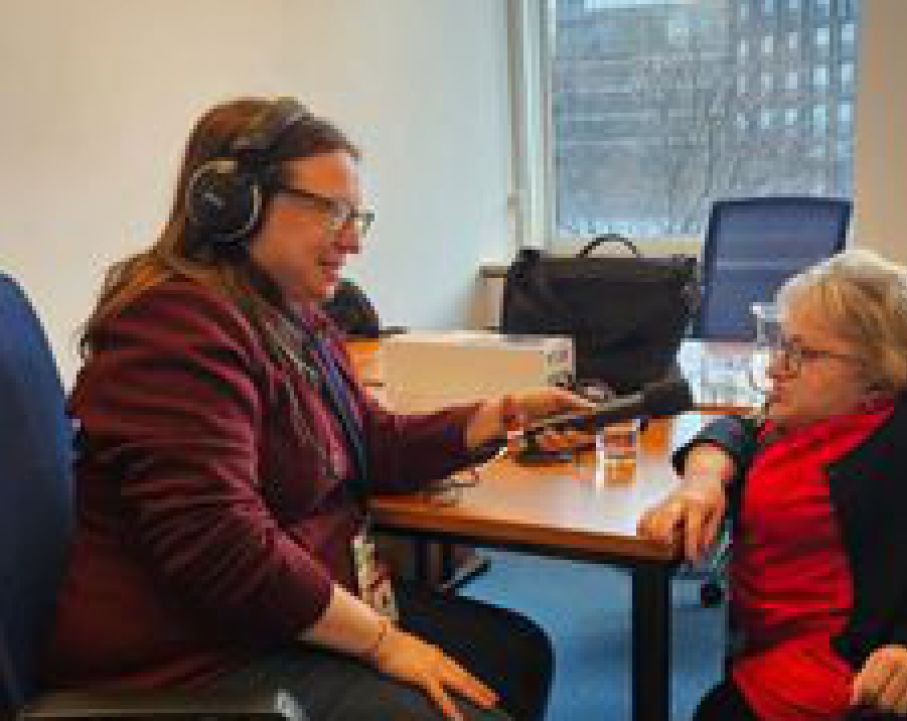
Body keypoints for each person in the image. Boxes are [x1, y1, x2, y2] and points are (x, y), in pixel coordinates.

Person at [43, 97, 589, 721]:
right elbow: (223, 547)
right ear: (233, 204)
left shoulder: (293, 317)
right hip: (204, 657)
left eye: (358, 217)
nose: (352, 240)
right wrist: (385, 644)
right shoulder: (173, 327)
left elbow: (367, 442)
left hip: (291, 614)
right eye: (331, 211)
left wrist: (500, 414)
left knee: (519, 657)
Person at [639, 249, 907, 721]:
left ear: (882, 370)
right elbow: (741, 429)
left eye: (803, 354)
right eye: (780, 344)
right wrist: (703, 481)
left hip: (878, 645)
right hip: (803, 637)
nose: (774, 368)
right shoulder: (813, 416)